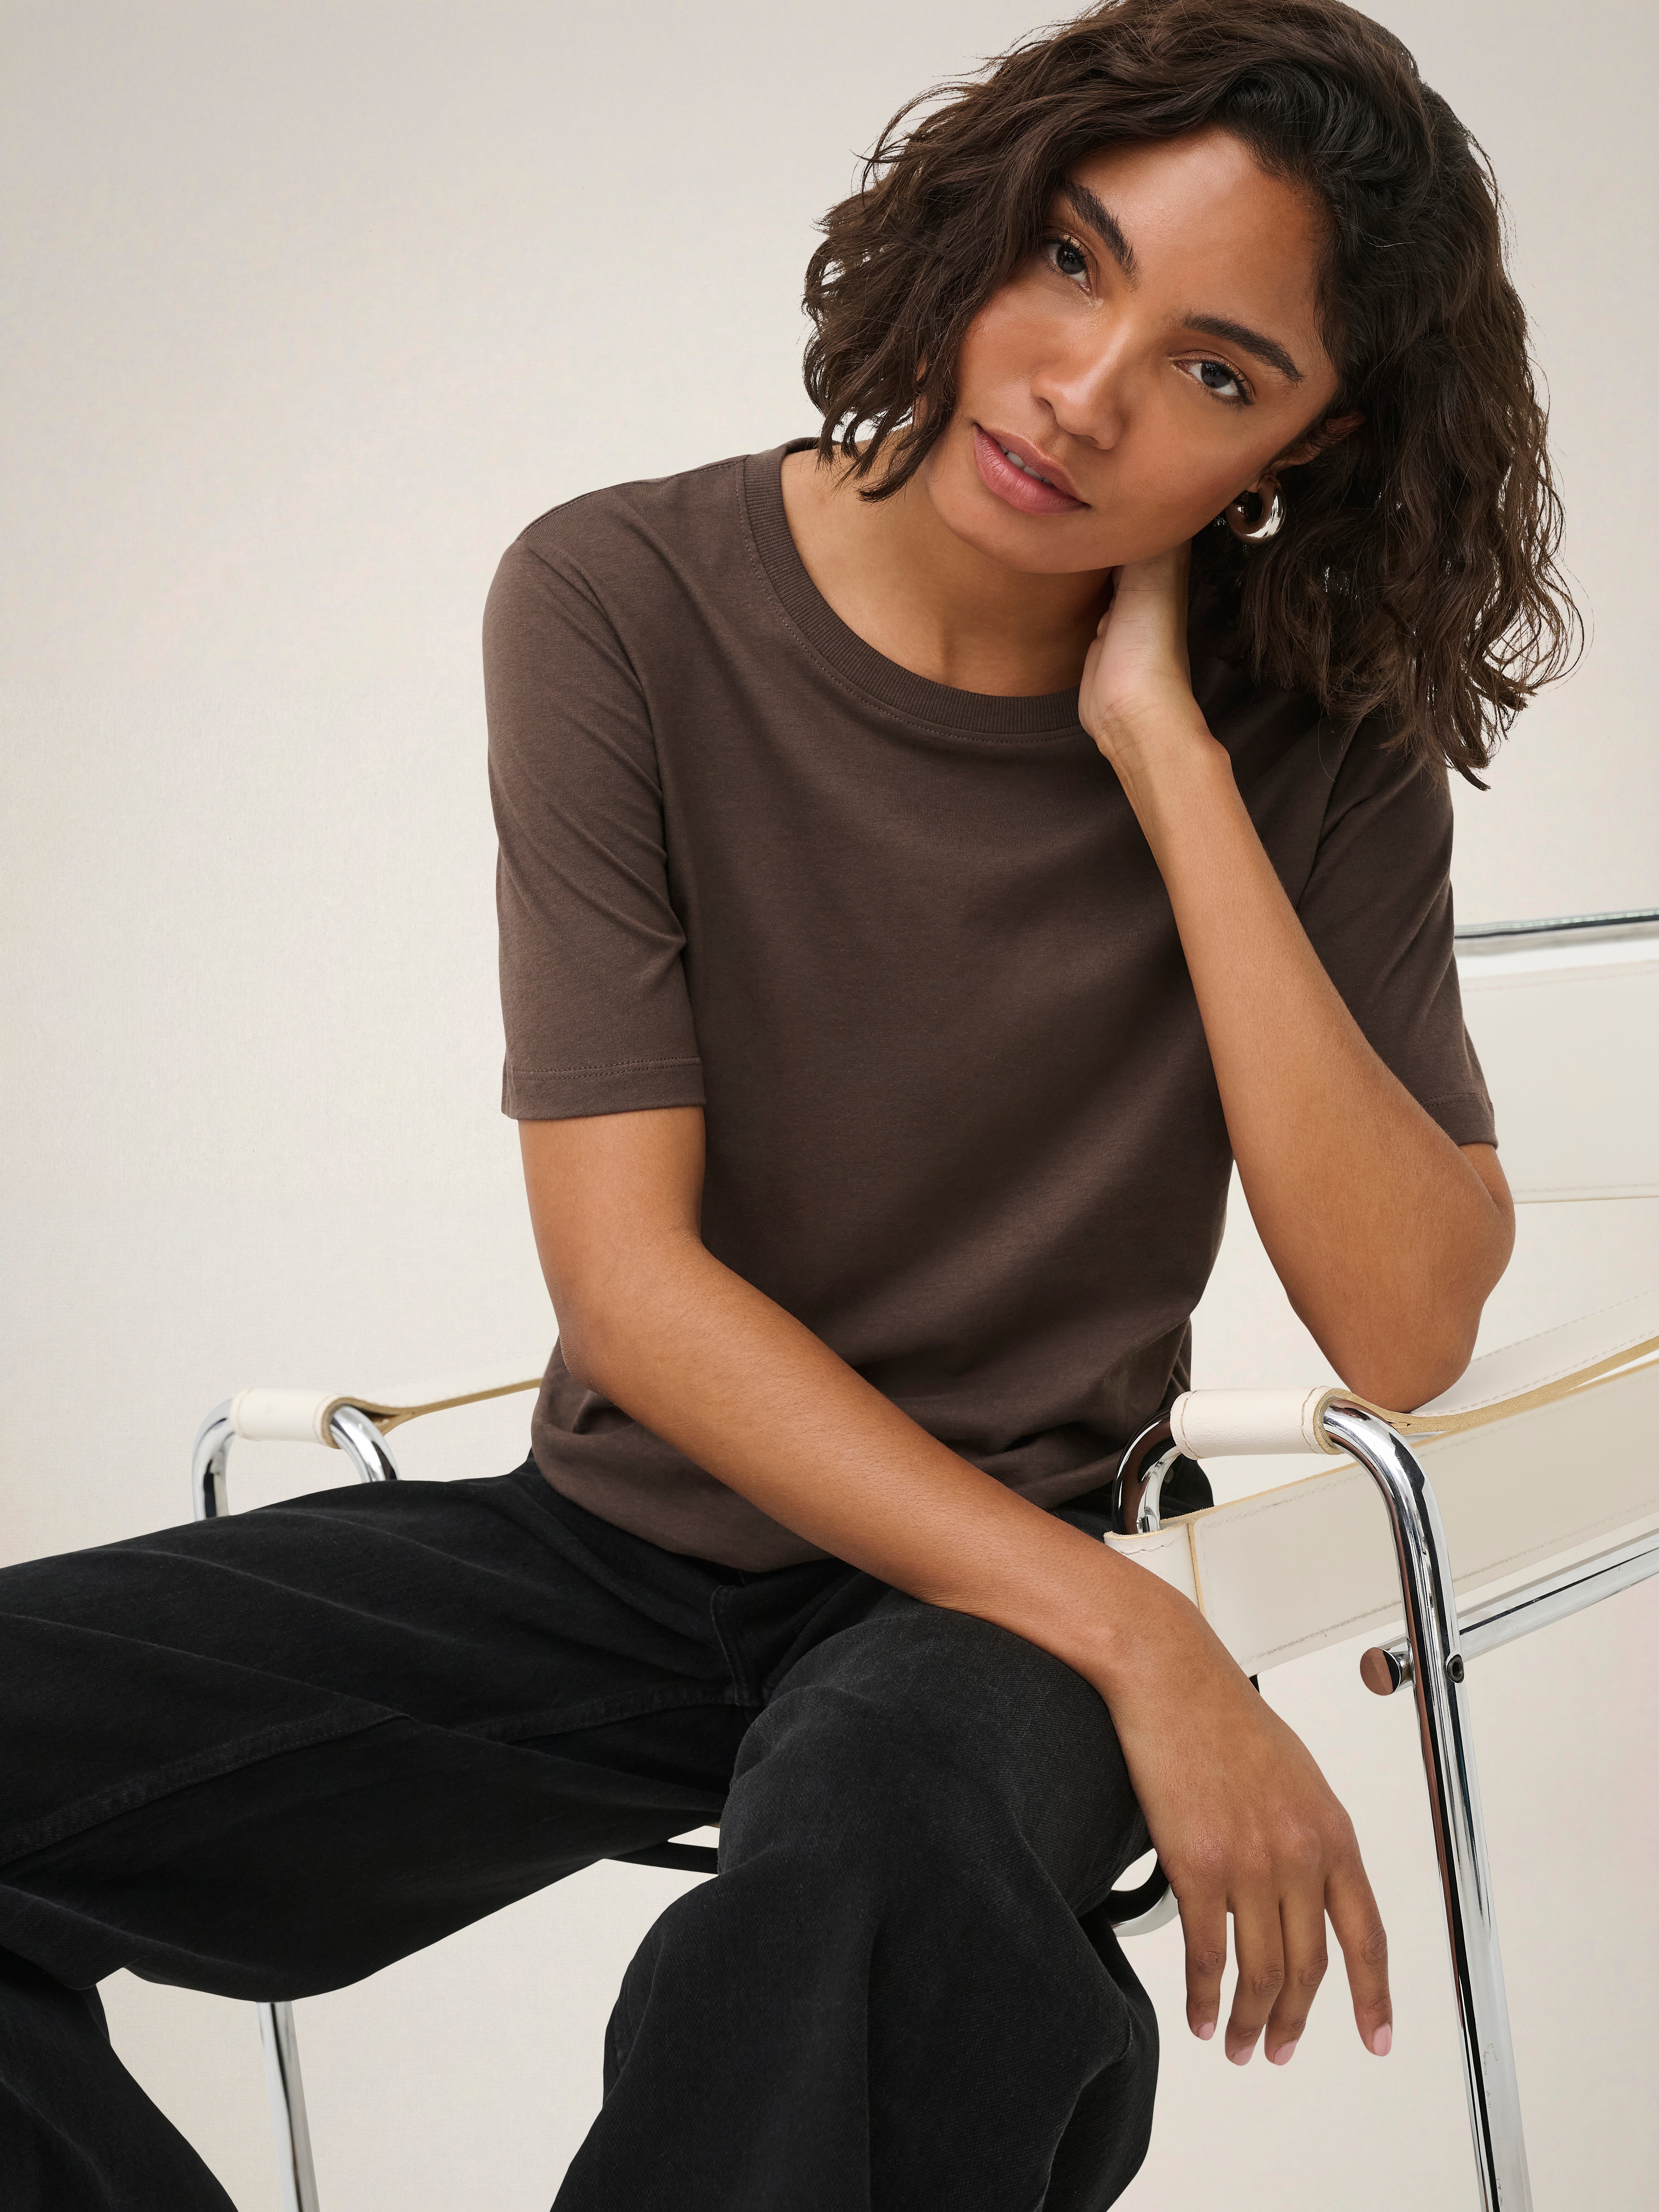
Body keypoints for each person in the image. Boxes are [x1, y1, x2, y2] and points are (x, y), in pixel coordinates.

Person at [0, 1, 1580, 2204]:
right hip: (623, 1551)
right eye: (1070, 259)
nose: (1084, 390)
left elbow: (1401, 1320)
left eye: (1219, 374)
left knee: (879, 1857)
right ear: (978, 224)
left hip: (993, 1601)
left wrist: (1167, 757)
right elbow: (630, 1291)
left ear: (1305, 447)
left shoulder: (1312, 736)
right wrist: (1147, 1642)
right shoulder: (621, 598)